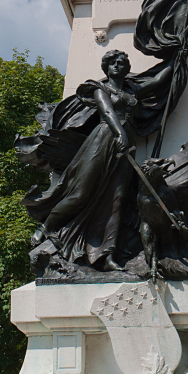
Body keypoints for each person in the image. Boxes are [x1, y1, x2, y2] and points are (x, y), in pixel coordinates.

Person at [20, 49, 174, 271]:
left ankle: (107, 255)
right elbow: (108, 112)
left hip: (126, 145)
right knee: (81, 192)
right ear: (106, 67)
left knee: (117, 200)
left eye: (122, 62)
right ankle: (46, 227)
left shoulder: (132, 89)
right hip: (104, 139)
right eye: (113, 63)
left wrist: (178, 55)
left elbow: (158, 80)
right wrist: (119, 133)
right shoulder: (100, 89)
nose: (118, 66)